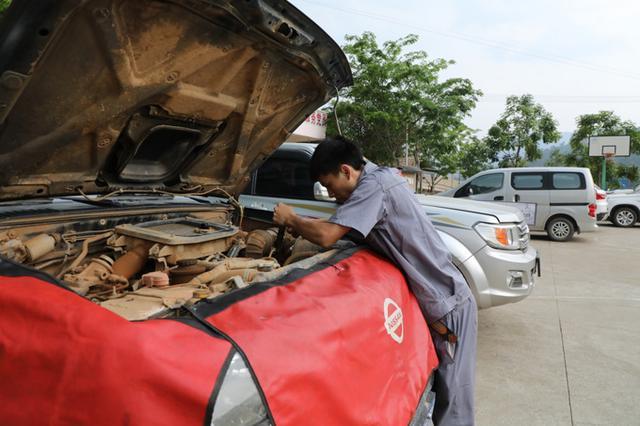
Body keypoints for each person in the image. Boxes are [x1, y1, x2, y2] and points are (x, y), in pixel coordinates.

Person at [273, 136, 477, 426]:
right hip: (439, 302)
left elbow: (329, 235)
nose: (331, 195)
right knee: (437, 393)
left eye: (330, 185)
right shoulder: (378, 176)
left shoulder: (372, 189)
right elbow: (341, 228)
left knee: (453, 404)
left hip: (449, 305)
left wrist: (292, 219)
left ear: (346, 170)